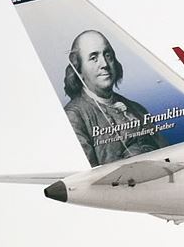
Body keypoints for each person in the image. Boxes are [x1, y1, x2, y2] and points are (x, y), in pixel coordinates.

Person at [63, 30, 166, 166]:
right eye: (94, 58)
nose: (105, 64)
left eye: (108, 55)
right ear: (79, 69)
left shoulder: (136, 108)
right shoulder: (74, 116)